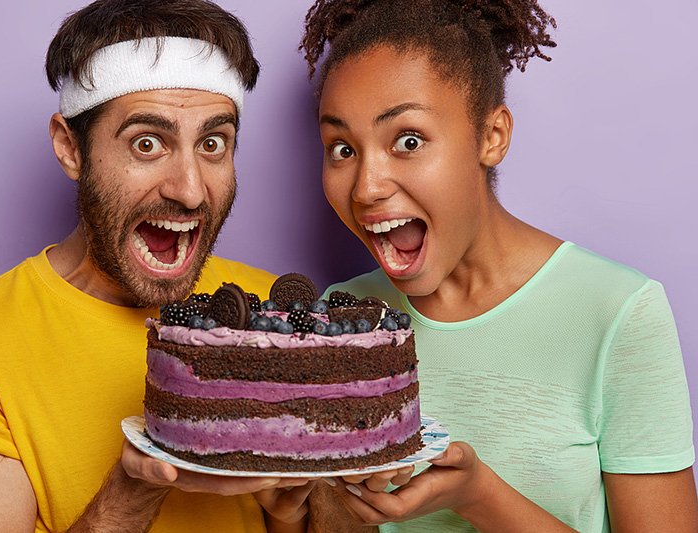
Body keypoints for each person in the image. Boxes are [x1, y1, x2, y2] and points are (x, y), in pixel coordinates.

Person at [0, 0, 313, 531]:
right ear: (71, 148)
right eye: (147, 143)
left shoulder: (275, 315)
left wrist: (292, 515)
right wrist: (134, 489)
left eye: (212, 144)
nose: (189, 191)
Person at [296, 0, 698, 531]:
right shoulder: (337, 321)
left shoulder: (618, 314)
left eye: (408, 141)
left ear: (492, 136)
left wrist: (480, 496)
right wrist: (288, 513)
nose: (367, 187)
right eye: (342, 148)